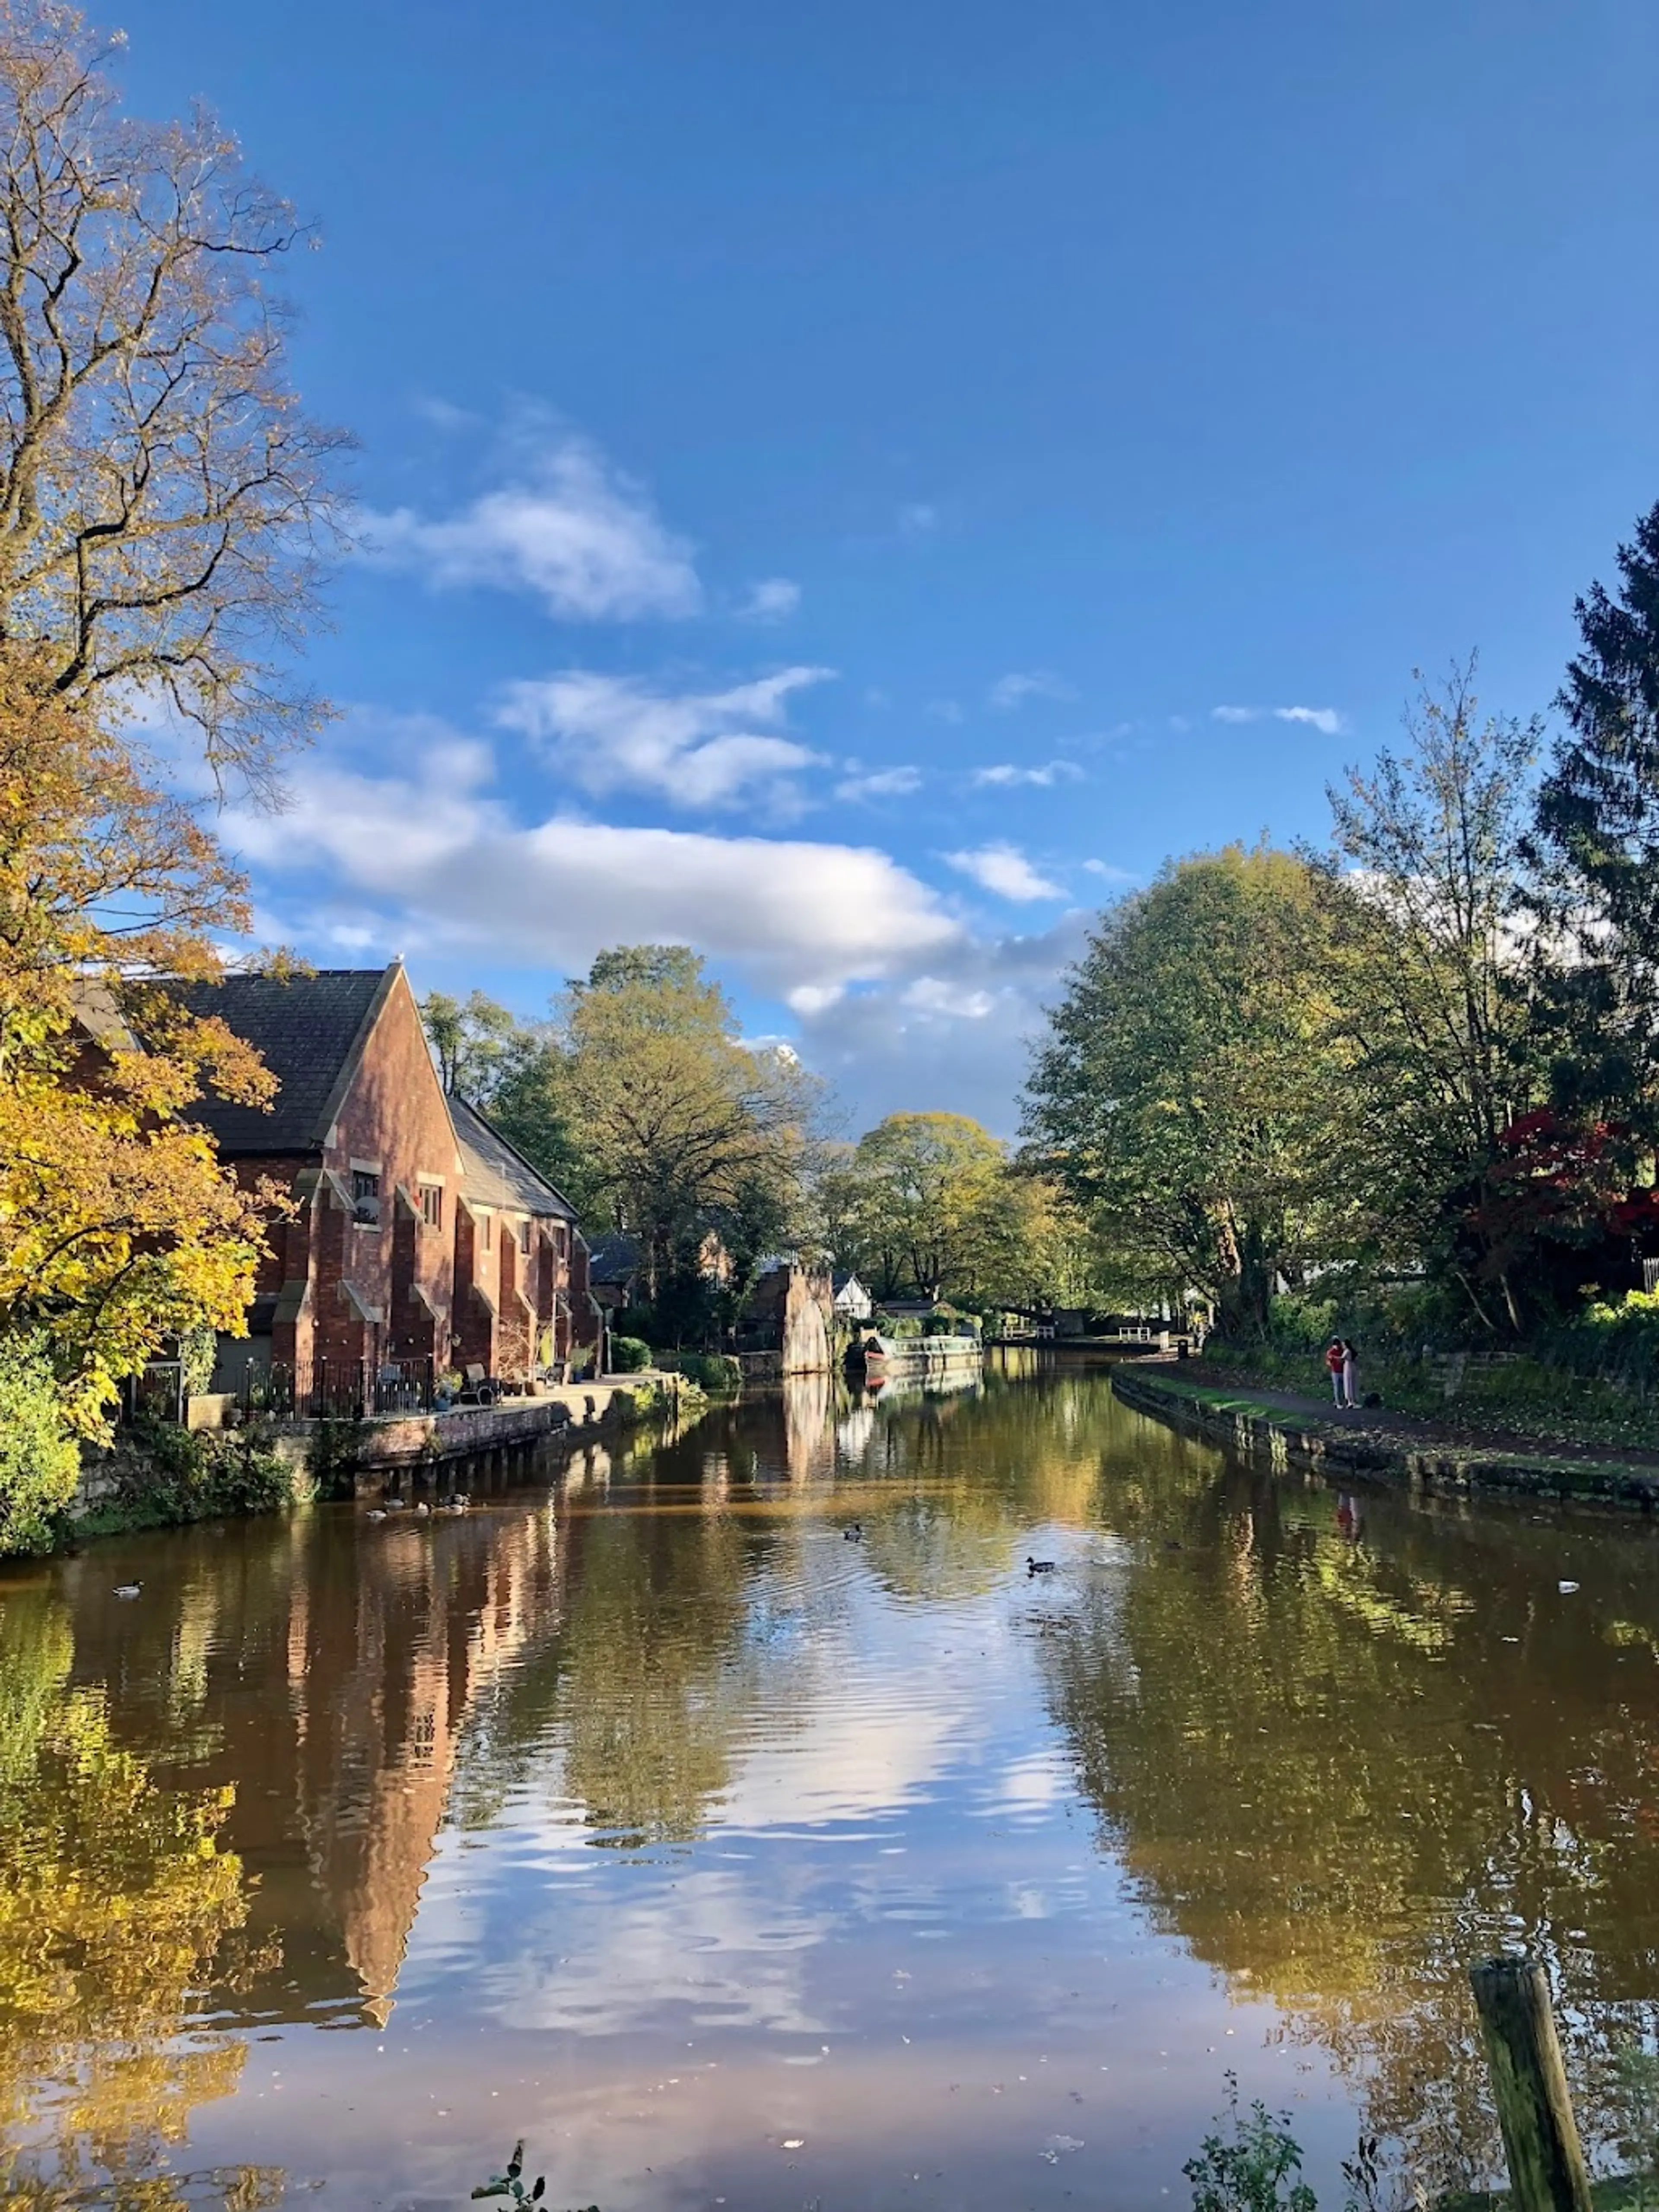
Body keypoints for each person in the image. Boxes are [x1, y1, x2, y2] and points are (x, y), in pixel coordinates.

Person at [1324, 1338, 1347, 1406]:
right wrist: (1331, 1362)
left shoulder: (1342, 1351)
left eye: (1338, 1345)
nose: (1337, 1346)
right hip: (1335, 1372)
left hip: (1343, 1371)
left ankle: (1344, 1401)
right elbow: (1328, 1361)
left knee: (1343, 1387)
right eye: (1336, 1345)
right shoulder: (1331, 1352)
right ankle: (1338, 1402)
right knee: (1337, 1388)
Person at [1341, 1338, 1360, 1410]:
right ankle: (1354, 1400)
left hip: (1348, 1367)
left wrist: (1334, 1358)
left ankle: (1350, 1401)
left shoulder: (1347, 1351)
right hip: (1353, 1367)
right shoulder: (1352, 1351)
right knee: (1353, 1383)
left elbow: (1342, 1359)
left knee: (1348, 1384)